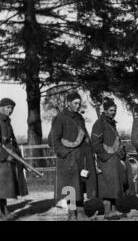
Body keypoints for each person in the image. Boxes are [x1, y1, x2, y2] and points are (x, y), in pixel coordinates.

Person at [49, 92, 97, 221]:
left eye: (79, 103)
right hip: (68, 159)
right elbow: (54, 140)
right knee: (70, 186)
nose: (78, 106)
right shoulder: (60, 118)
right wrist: (65, 153)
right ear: (68, 103)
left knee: (80, 184)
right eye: (75, 103)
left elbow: (85, 137)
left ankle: (81, 212)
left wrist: (90, 153)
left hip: (81, 157)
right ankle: (71, 214)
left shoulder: (79, 118)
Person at [91, 98, 128, 219]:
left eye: (115, 110)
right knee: (107, 188)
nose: (113, 112)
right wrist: (105, 157)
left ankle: (114, 210)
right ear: (105, 111)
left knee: (115, 186)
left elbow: (115, 140)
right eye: (111, 110)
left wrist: (121, 152)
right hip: (106, 161)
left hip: (114, 160)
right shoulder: (99, 124)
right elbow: (95, 143)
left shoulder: (111, 123)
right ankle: (107, 212)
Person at [0, 98, 28, 220]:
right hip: (2, 160)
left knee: (4, 189)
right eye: (8, 107)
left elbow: (12, 141)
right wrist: (5, 156)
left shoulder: (7, 122)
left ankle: (4, 211)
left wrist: (20, 158)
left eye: (11, 108)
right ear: (1, 107)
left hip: (8, 159)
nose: (10, 110)